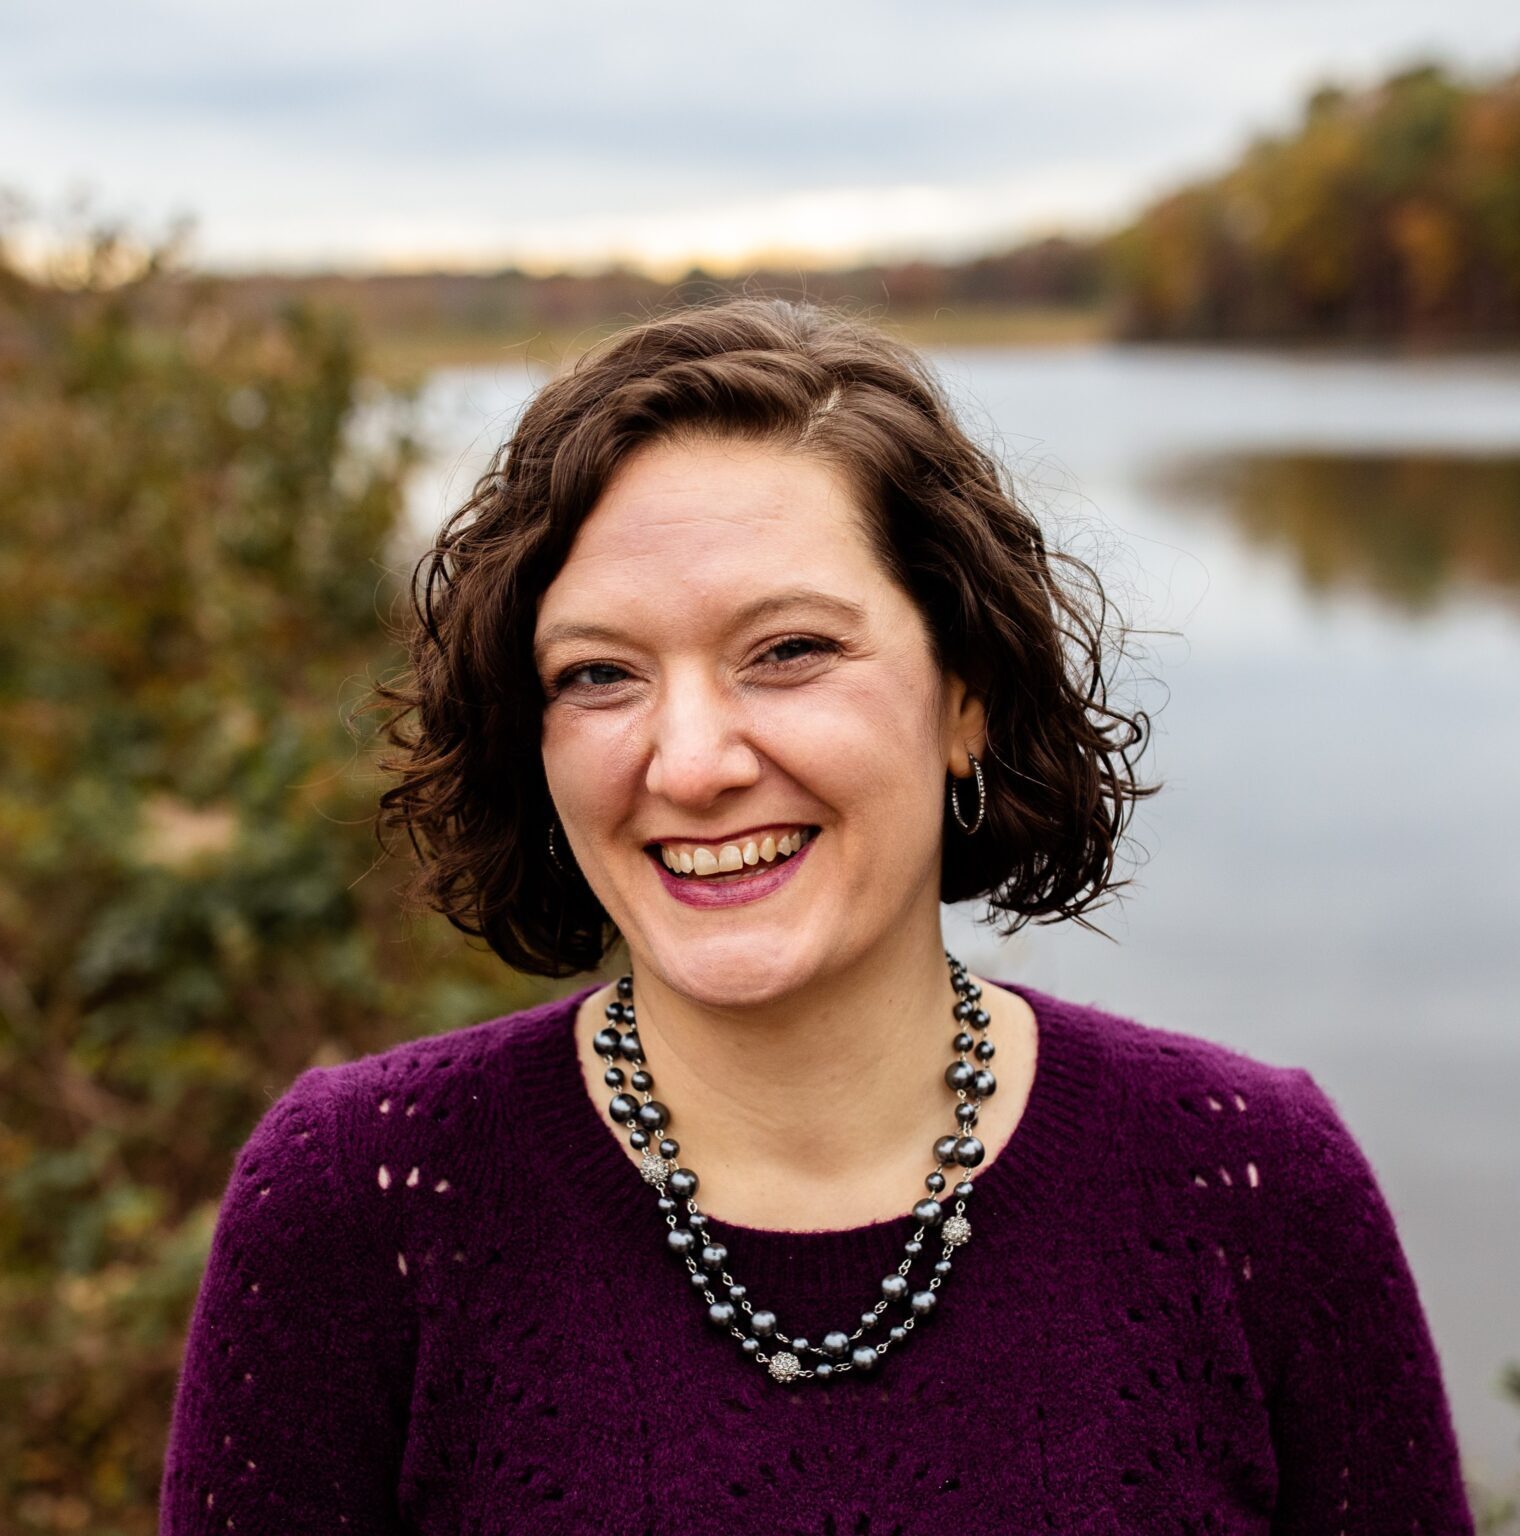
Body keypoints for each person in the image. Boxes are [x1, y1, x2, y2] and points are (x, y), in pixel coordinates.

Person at [159, 296, 1474, 1533]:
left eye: (787, 651)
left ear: (967, 693)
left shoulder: (1249, 1185)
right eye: (600, 674)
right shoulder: (363, 1201)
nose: (689, 762)